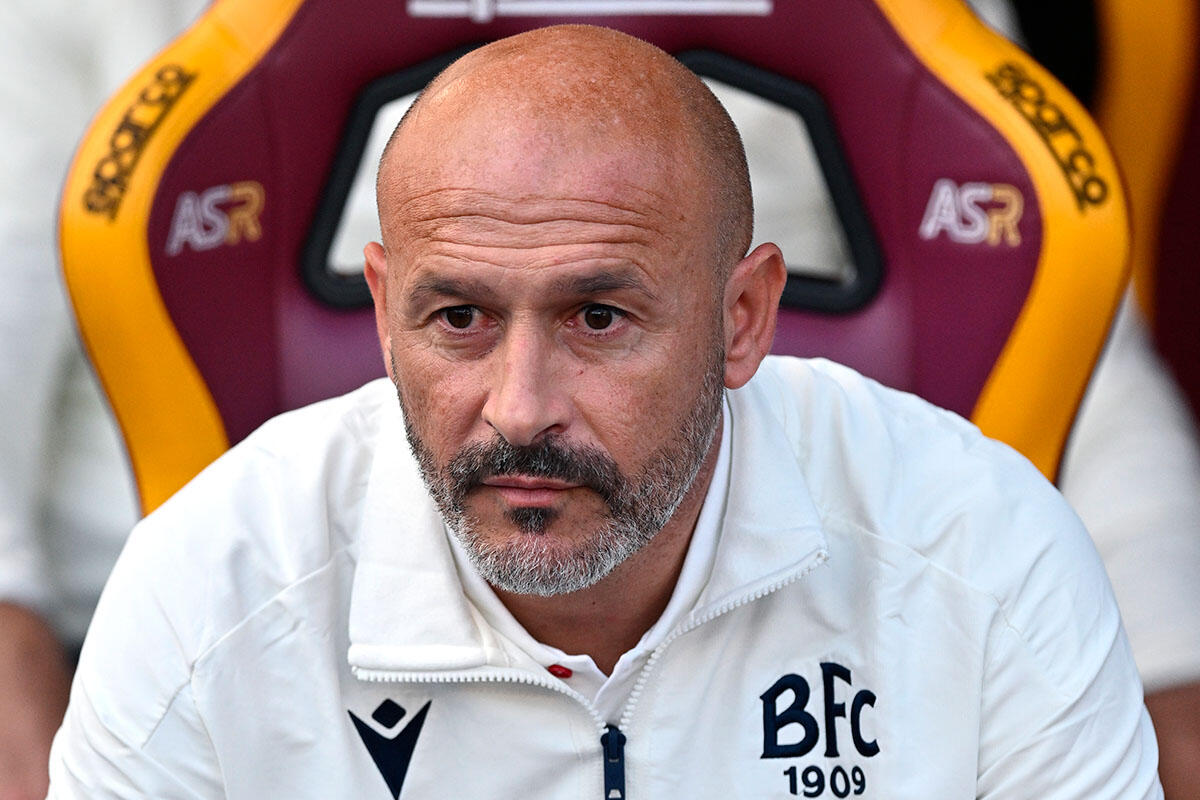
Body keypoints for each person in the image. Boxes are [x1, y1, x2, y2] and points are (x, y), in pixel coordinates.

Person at [46, 25, 1160, 797]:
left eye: (598, 317)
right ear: (384, 312)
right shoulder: (210, 592)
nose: (520, 408)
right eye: (460, 318)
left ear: (743, 318)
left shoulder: (984, 557)